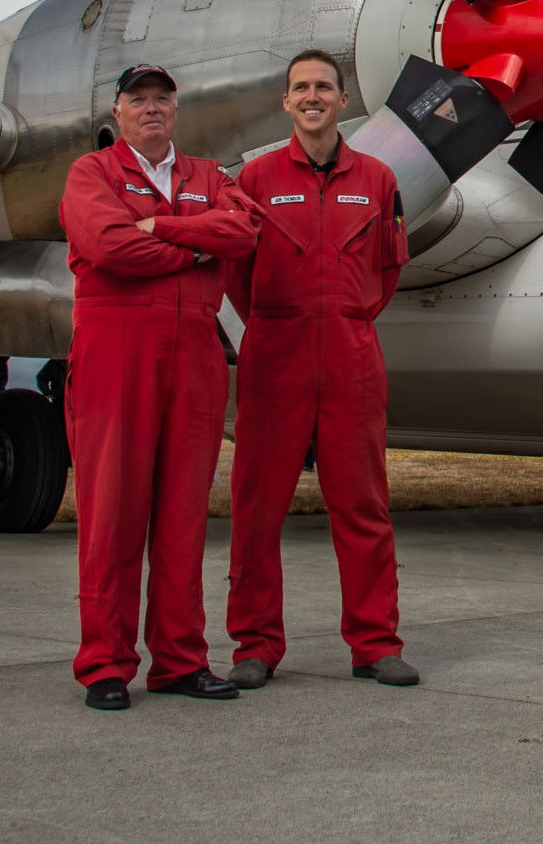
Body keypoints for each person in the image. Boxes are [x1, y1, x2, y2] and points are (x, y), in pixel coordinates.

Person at [59, 64, 261, 710]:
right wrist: (198, 246)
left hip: (196, 351)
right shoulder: (90, 174)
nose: (151, 108)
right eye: (137, 99)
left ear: (176, 111)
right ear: (116, 112)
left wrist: (162, 228)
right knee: (112, 511)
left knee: (183, 515)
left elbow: (244, 230)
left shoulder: (207, 174)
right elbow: (111, 247)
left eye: (161, 99)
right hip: (116, 351)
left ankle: (178, 659)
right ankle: (105, 664)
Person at [222, 50, 418, 689]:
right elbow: (236, 277)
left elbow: (388, 270)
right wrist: (282, 321)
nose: (313, 97)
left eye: (324, 87)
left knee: (363, 504)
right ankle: (254, 645)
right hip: (273, 353)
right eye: (301, 88)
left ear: (342, 99)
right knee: (257, 507)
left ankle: (375, 645)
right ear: (286, 102)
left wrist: (345, 319)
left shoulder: (380, 179)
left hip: (350, 356)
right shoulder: (253, 180)